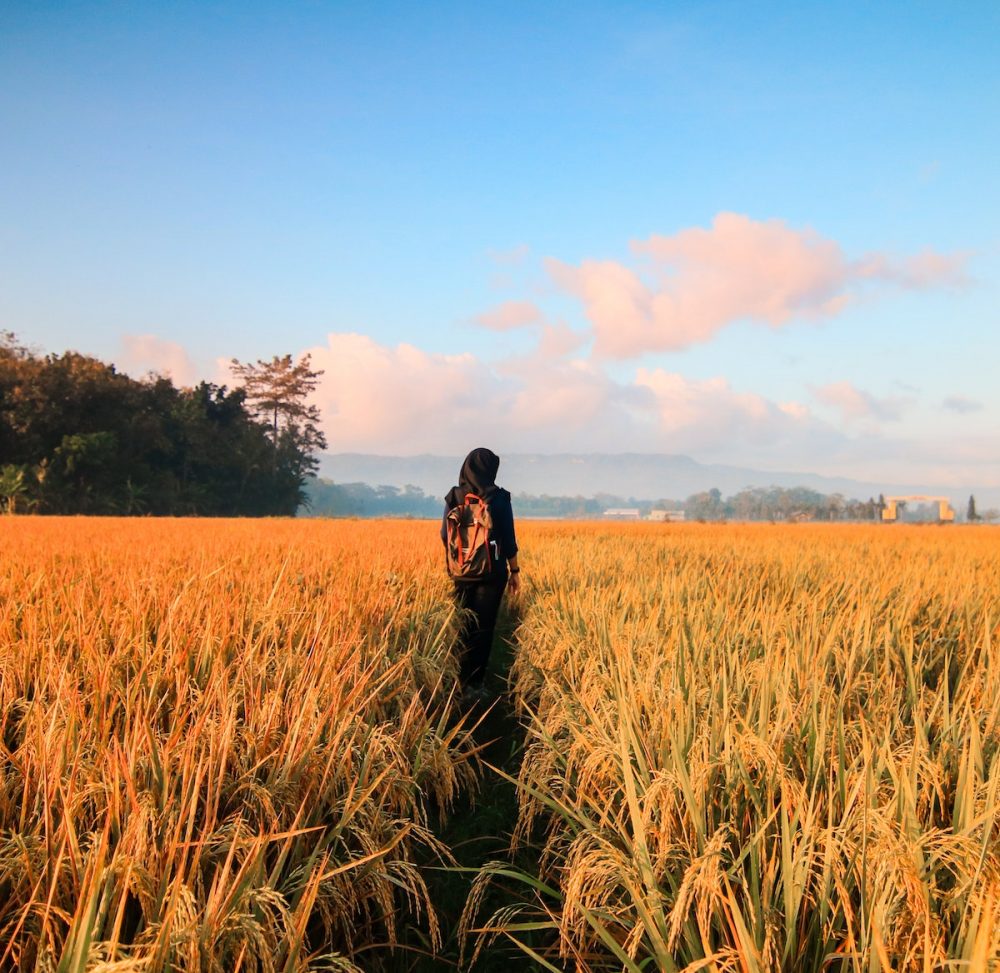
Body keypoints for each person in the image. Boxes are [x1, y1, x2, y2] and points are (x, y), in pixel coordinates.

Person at [441, 447, 520, 694]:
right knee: (484, 627)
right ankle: (475, 684)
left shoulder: (454, 496)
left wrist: (459, 558)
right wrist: (514, 571)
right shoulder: (498, 498)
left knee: (462, 624)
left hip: (460, 572)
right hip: (491, 573)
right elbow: (508, 538)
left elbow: (445, 535)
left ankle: (456, 679)